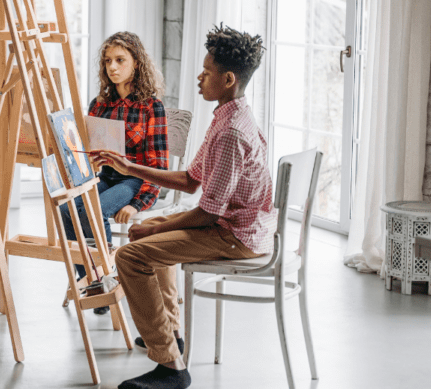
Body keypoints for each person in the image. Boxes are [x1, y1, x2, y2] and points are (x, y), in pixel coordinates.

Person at [91, 25, 273, 389]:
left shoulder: (231, 132)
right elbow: (191, 180)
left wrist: (156, 227)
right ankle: (172, 334)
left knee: (131, 256)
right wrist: (129, 168)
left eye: (207, 71)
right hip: (236, 224)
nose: (199, 76)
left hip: (235, 235)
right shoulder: (228, 116)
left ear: (228, 79)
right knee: (150, 233)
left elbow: (207, 212)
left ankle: (171, 367)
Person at [58, 32, 169, 308]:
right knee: (66, 208)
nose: (113, 67)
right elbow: (87, 148)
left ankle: (106, 282)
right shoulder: (100, 104)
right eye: (108, 61)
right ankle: (93, 279)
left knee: (93, 209)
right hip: (104, 176)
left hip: (135, 179)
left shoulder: (151, 107)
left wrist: (138, 204)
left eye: (120, 60)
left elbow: (158, 165)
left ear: (137, 64)